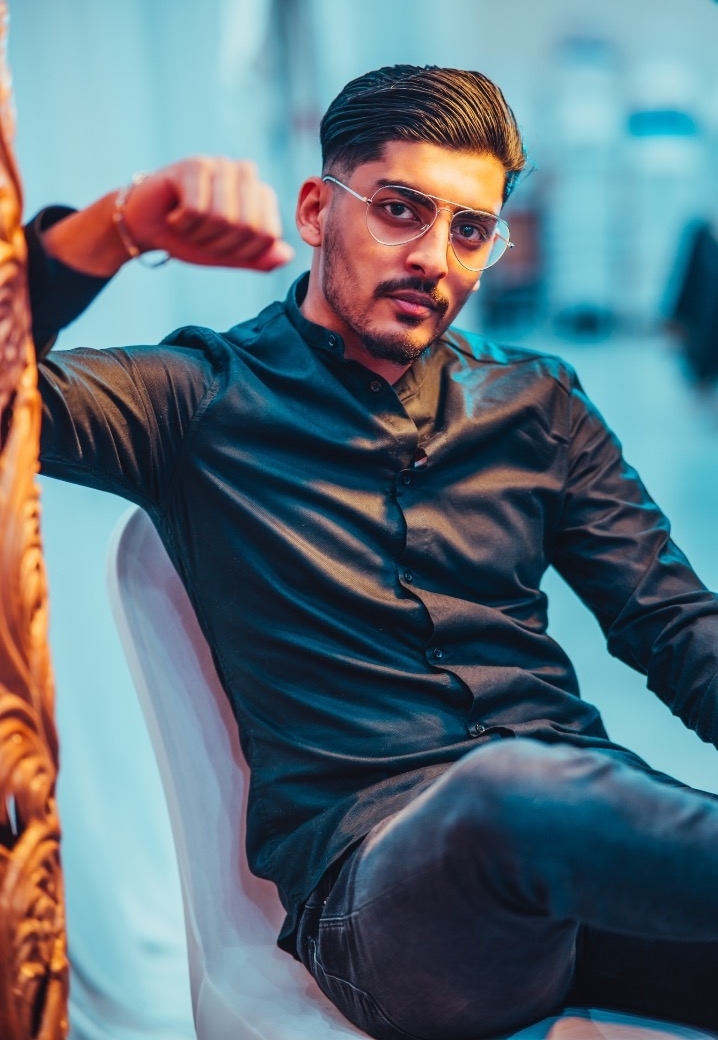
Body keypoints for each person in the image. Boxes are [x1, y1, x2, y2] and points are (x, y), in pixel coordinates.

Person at [28, 65, 718, 1039]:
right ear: (317, 210)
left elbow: (675, 625)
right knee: (514, 793)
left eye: (470, 230)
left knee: (551, 791)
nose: (434, 258)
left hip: (577, 859)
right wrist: (116, 228)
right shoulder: (200, 401)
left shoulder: (538, 402)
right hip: (388, 901)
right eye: (400, 211)